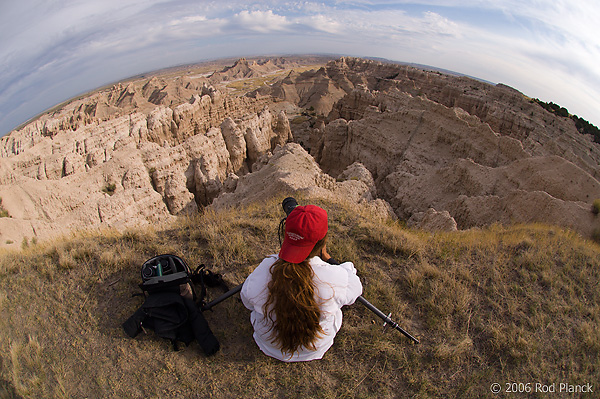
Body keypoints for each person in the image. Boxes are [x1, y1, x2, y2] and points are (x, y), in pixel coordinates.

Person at [240, 204, 363, 362]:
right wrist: (327, 257)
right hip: (315, 348)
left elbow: (247, 301)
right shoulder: (337, 277)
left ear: (286, 235)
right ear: (322, 241)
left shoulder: (266, 269)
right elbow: (355, 289)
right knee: (336, 309)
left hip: (268, 344)